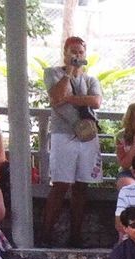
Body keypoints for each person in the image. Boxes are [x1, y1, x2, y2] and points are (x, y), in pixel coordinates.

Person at [39, 36, 102, 247]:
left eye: (80, 52)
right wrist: (69, 72)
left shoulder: (91, 79)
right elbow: (57, 96)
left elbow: (96, 101)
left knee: (81, 186)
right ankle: (46, 234)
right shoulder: (52, 73)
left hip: (87, 134)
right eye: (73, 51)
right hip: (63, 134)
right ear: (65, 52)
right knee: (60, 185)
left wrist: (70, 99)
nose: (77, 55)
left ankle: (76, 236)